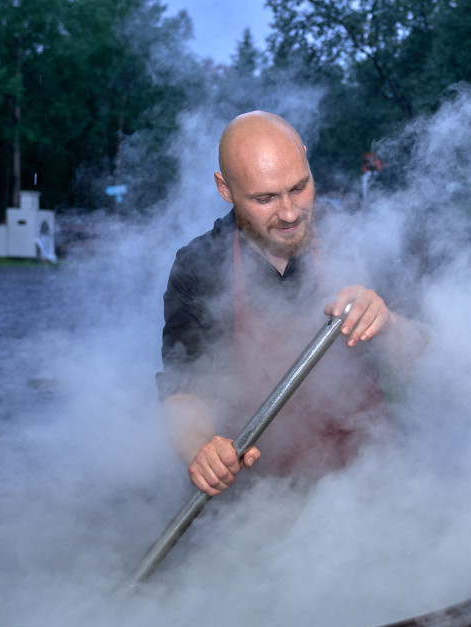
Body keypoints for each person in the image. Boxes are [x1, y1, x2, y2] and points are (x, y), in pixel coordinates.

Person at [156, 110, 424, 497]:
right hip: (258, 499)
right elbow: (184, 389)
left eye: (299, 188)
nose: (288, 213)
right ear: (225, 189)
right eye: (264, 198)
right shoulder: (198, 266)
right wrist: (200, 448)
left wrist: (390, 325)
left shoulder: (359, 239)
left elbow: (429, 357)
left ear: (306, 158)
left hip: (370, 488)